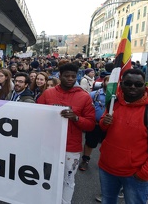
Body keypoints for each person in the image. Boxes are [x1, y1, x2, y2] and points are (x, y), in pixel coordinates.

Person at [37, 63, 95, 204]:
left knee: (68, 180)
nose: (70, 79)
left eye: (73, 76)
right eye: (66, 76)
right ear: (59, 76)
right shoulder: (48, 93)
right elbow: (37, 115)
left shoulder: (84, 97)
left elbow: (90, 124)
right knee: (47, 176)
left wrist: (76, 118)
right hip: (49, 144)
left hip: (71, 147)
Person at [98, 69, 148, 204]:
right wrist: (104, 122)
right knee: (107, 200)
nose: (133, 87)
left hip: (134, 174)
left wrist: (144, 173)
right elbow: (103, 126)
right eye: (128, 83)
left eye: (138, 84)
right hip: (107, 167)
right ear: (121, 84)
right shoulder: (114, 102)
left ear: (145, 85)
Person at [79, 75, 109, 172]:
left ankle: (105, 162)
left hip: (109, 126)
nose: (110, 84)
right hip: (95, 124)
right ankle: (85, 160)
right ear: (103, 82)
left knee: (108, 144)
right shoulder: (94, 94)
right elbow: (86, 108)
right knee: (90, 143)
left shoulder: (118, 96)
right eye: (108, 81)